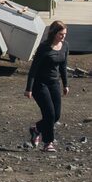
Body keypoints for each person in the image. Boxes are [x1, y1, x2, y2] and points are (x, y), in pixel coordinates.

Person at [26, 20, 70, 151]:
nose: (63, 37)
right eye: (61, 34)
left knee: (56, 116)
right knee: (49, 114)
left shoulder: (65, 46)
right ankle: (48, 143)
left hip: (54, 83)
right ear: (54, 33)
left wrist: (65, 84)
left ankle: (36, 129)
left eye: (65, 34)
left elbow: (63, 66)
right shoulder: (44, 47)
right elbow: (33, 69)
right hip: (40, 84)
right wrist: (28, 88)